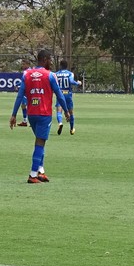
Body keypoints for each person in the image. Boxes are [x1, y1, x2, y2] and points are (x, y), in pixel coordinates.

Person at [10, 49, 70, 183]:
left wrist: (14, 114)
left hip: (31, 113)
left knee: (40, 140)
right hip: (44, 114)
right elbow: (59, 95)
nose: (51, 62)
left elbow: (20, 95)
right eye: (49, 59)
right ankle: (32, 175)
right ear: (45, 59)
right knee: (40, 143)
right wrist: (66, 111)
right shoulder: (50, 75)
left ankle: (41, 171)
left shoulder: (27, 74)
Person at [54, 59, 82, 135]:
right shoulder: (70, 73)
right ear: (67, 66)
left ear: (60, 66)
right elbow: (71, 81)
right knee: (71, 112)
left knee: (59, 111)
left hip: (60, 93)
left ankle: (60, 123)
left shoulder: (56, 74)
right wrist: (78, 83)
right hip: (68, 94)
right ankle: (72, 129)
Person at [17, 62, 30, 127]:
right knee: (25, 105)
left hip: (27, 92)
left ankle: (26, 121)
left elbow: (24, 81)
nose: (22, 65)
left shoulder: (27, 72)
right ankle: (26, 121)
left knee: (24, 105)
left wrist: (17, 85)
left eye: (23, 64)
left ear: (27, 64)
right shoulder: (29, 71)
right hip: (29, 91)